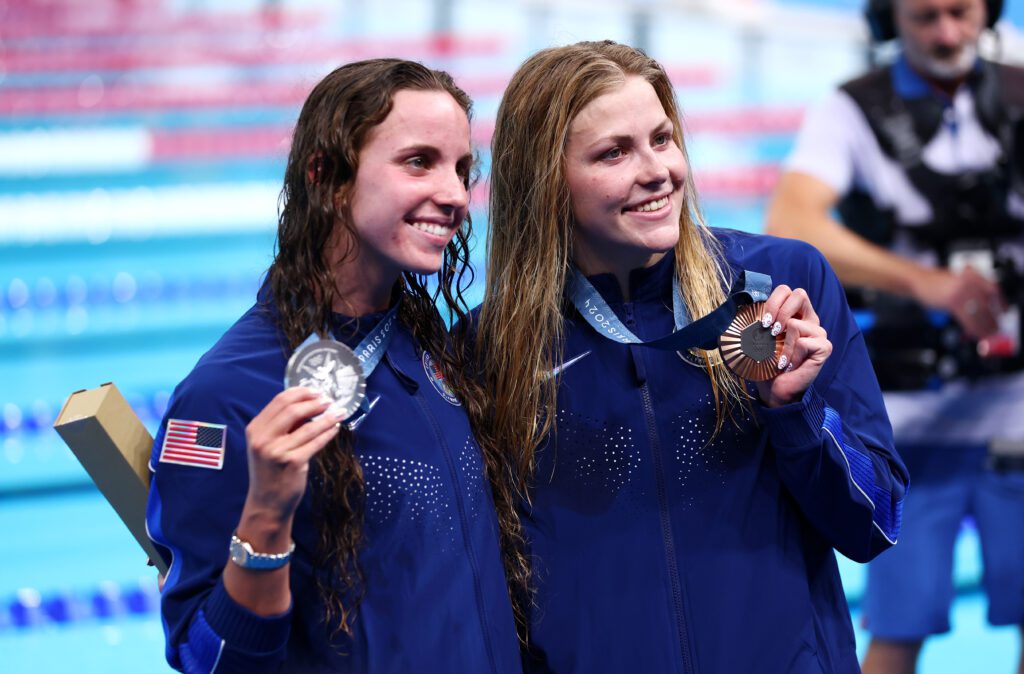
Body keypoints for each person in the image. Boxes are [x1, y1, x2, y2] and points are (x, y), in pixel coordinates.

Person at [470, 40, 909, 673]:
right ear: (543, 181)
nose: (657, 171)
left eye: (663, 138)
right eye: (614, 152)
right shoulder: (493, 349)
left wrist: (795, 415)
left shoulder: (780, 286)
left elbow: (877, 523)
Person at [145, 59, 522, 673]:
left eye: (461, 168)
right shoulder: (226, 396)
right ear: (328, 177)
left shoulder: (433, 354)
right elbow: (203, 658)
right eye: (418, 162)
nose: (455, 195)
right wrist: (267, 512)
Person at [766, 1, 1024, 671]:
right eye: (925, 17)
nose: (946, 33)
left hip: (1017, 419)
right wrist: (926, 283)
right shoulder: (851, 110)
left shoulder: (1020, 86)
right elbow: (791, 220)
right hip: (914, 426)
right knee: (896, 633)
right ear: (888, 22)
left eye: (961, 12)